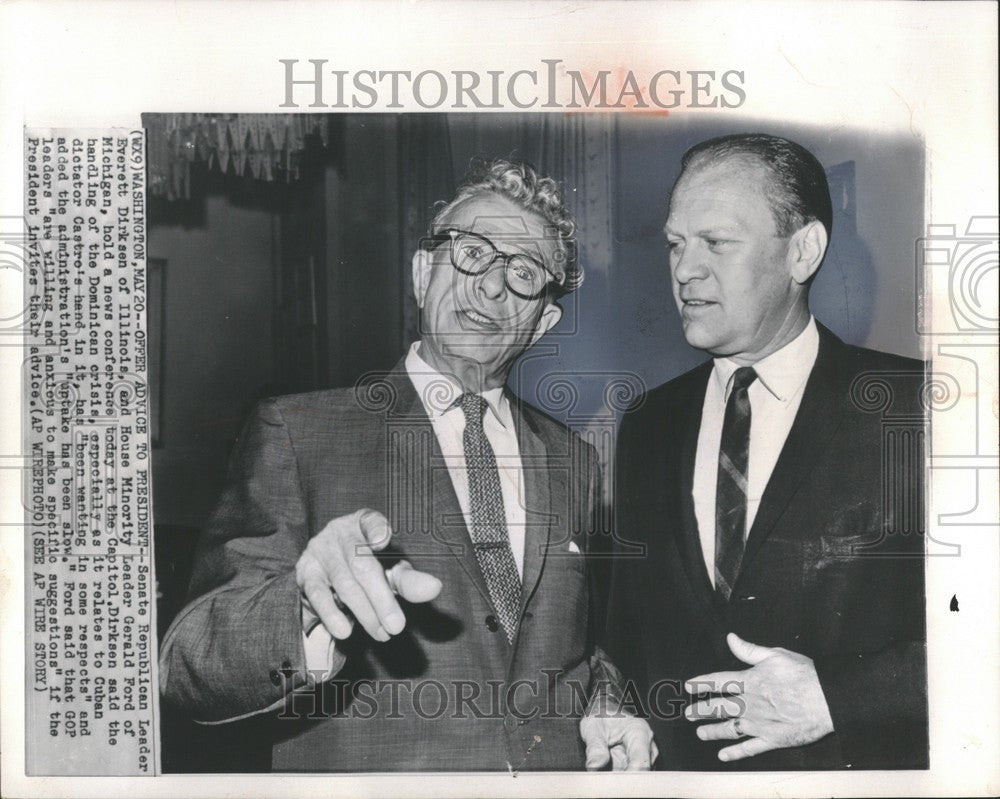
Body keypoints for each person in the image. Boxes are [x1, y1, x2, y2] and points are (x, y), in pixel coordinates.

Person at [159, 158, 654, 771]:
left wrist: (607, 699)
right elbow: (184, 665)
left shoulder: (574, 459)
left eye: (524, 273)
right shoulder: (298, 432)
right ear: (424, 274)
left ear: (544, 321)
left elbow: (568, 644)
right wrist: (306, 602)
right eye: (472, 252)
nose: (492, 287)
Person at [605, 133, 927, 770]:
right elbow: (626, 635)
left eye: (717, 243)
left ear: (802, 251)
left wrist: (837, 697)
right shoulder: (648, 422)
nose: (685, 269)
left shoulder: (918, 408)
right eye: (676, 243)